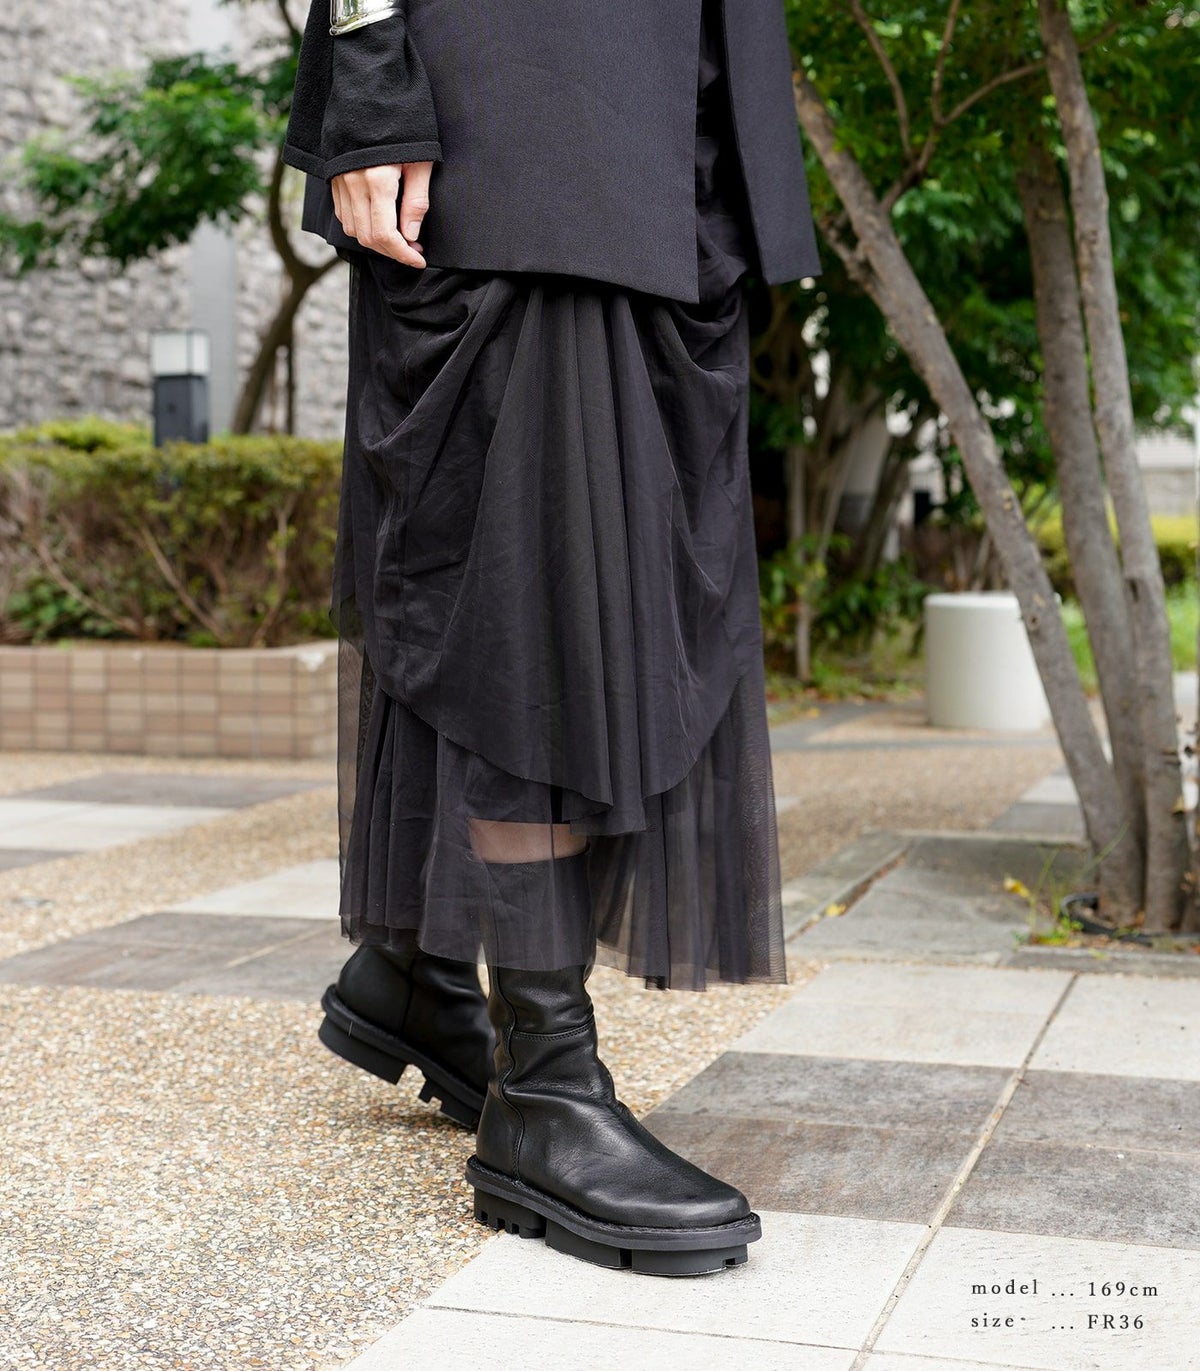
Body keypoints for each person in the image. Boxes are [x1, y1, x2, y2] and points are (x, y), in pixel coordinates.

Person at [284, 0, 821, 1276]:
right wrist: (369, 77)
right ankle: (544, 1084)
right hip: (511, 108)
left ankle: (418, 972)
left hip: (674, 120)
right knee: (539, 594)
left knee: (534, 566)